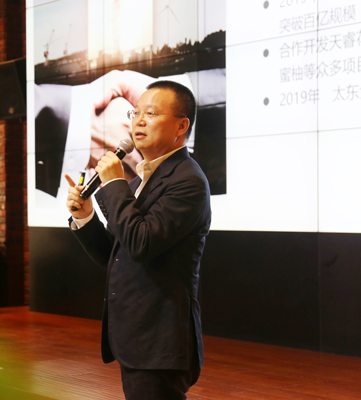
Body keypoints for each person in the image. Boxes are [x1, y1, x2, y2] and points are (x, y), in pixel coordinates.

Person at [65, 80, 211, 399]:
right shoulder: (140, 181)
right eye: (136, 113)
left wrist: (114, 182)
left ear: (181, 126)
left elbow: (141, 244)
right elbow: (115, 253)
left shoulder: (188, 181)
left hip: (160, 339)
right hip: (135, 336)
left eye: (151, 113)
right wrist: (85, 216)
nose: (139, 121)